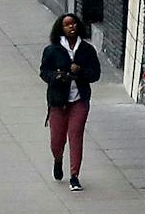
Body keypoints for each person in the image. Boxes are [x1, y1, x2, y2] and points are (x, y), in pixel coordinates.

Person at [39, 12, 101, 191]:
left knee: (75, 135)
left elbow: (95, 74)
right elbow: (44, 72)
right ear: (61, 28)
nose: (71, 27)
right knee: (57, 140)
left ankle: (74, 175)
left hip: (79, 100)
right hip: (58, 102)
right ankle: (58, 160)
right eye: (67, 25)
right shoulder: (52, 50)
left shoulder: (87, 50)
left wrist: (80, 71)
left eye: (73, 24)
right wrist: (57, 76)